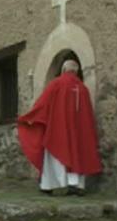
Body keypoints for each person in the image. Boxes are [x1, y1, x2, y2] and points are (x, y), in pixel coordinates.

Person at [17, 59, 102, 195]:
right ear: (77, 71)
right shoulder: (83, 89)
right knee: (76, 153)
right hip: (78, 132)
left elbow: (42, 105)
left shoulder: (56, 84)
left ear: (63, 70)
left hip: (58, 130)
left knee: (55, 154)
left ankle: (48, 186)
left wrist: (29, 118)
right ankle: (76, 185)